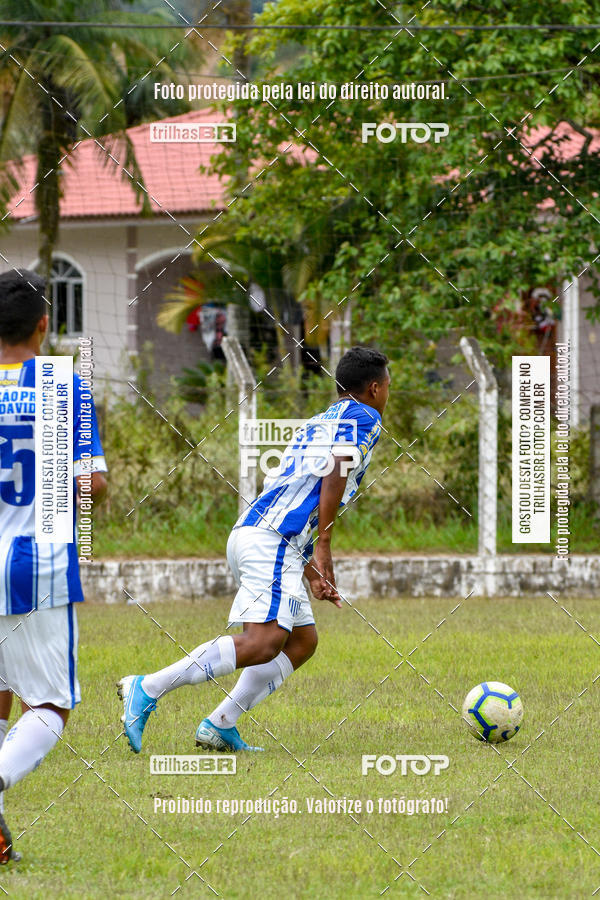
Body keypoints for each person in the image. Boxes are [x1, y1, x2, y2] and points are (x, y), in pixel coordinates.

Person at [119, 346, 389, 754]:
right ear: (373, 388)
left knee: (302, 641)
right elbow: (337, 467)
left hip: (262, 536)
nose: (388, 392)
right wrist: (326, 545)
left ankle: (220, 723)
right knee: (264, 641)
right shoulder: (366, 416)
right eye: (388, 385)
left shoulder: (320, 420)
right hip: (271, 541)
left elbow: (298, 490)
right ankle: (148, 687)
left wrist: (311, 570)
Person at [0, 269, 108, 862]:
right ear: (45, 324)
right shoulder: (59, 387)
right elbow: (89, 485)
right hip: (34, 567)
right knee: (50, 705)